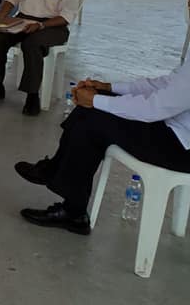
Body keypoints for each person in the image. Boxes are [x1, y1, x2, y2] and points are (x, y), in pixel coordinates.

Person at [15, 50, 190, 235]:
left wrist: (95, 100)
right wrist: (108, 88)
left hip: (181, 147)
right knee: (93, 107)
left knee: (95, 118)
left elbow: (154, 108)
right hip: (173, 129)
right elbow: (165, 85)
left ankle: (73, 210)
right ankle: (55, 172)